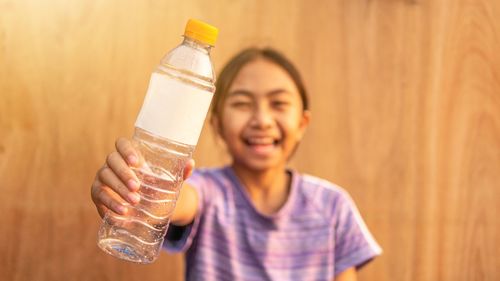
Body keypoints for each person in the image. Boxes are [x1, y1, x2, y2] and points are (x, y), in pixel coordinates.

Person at [91, 47, 382, 281]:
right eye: (242, 104)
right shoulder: (207, 191)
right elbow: (179, 200)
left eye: (278, 104)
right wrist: (146, 197)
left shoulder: (334, 207)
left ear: (303, 123)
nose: (262, 121)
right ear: (216, 124)